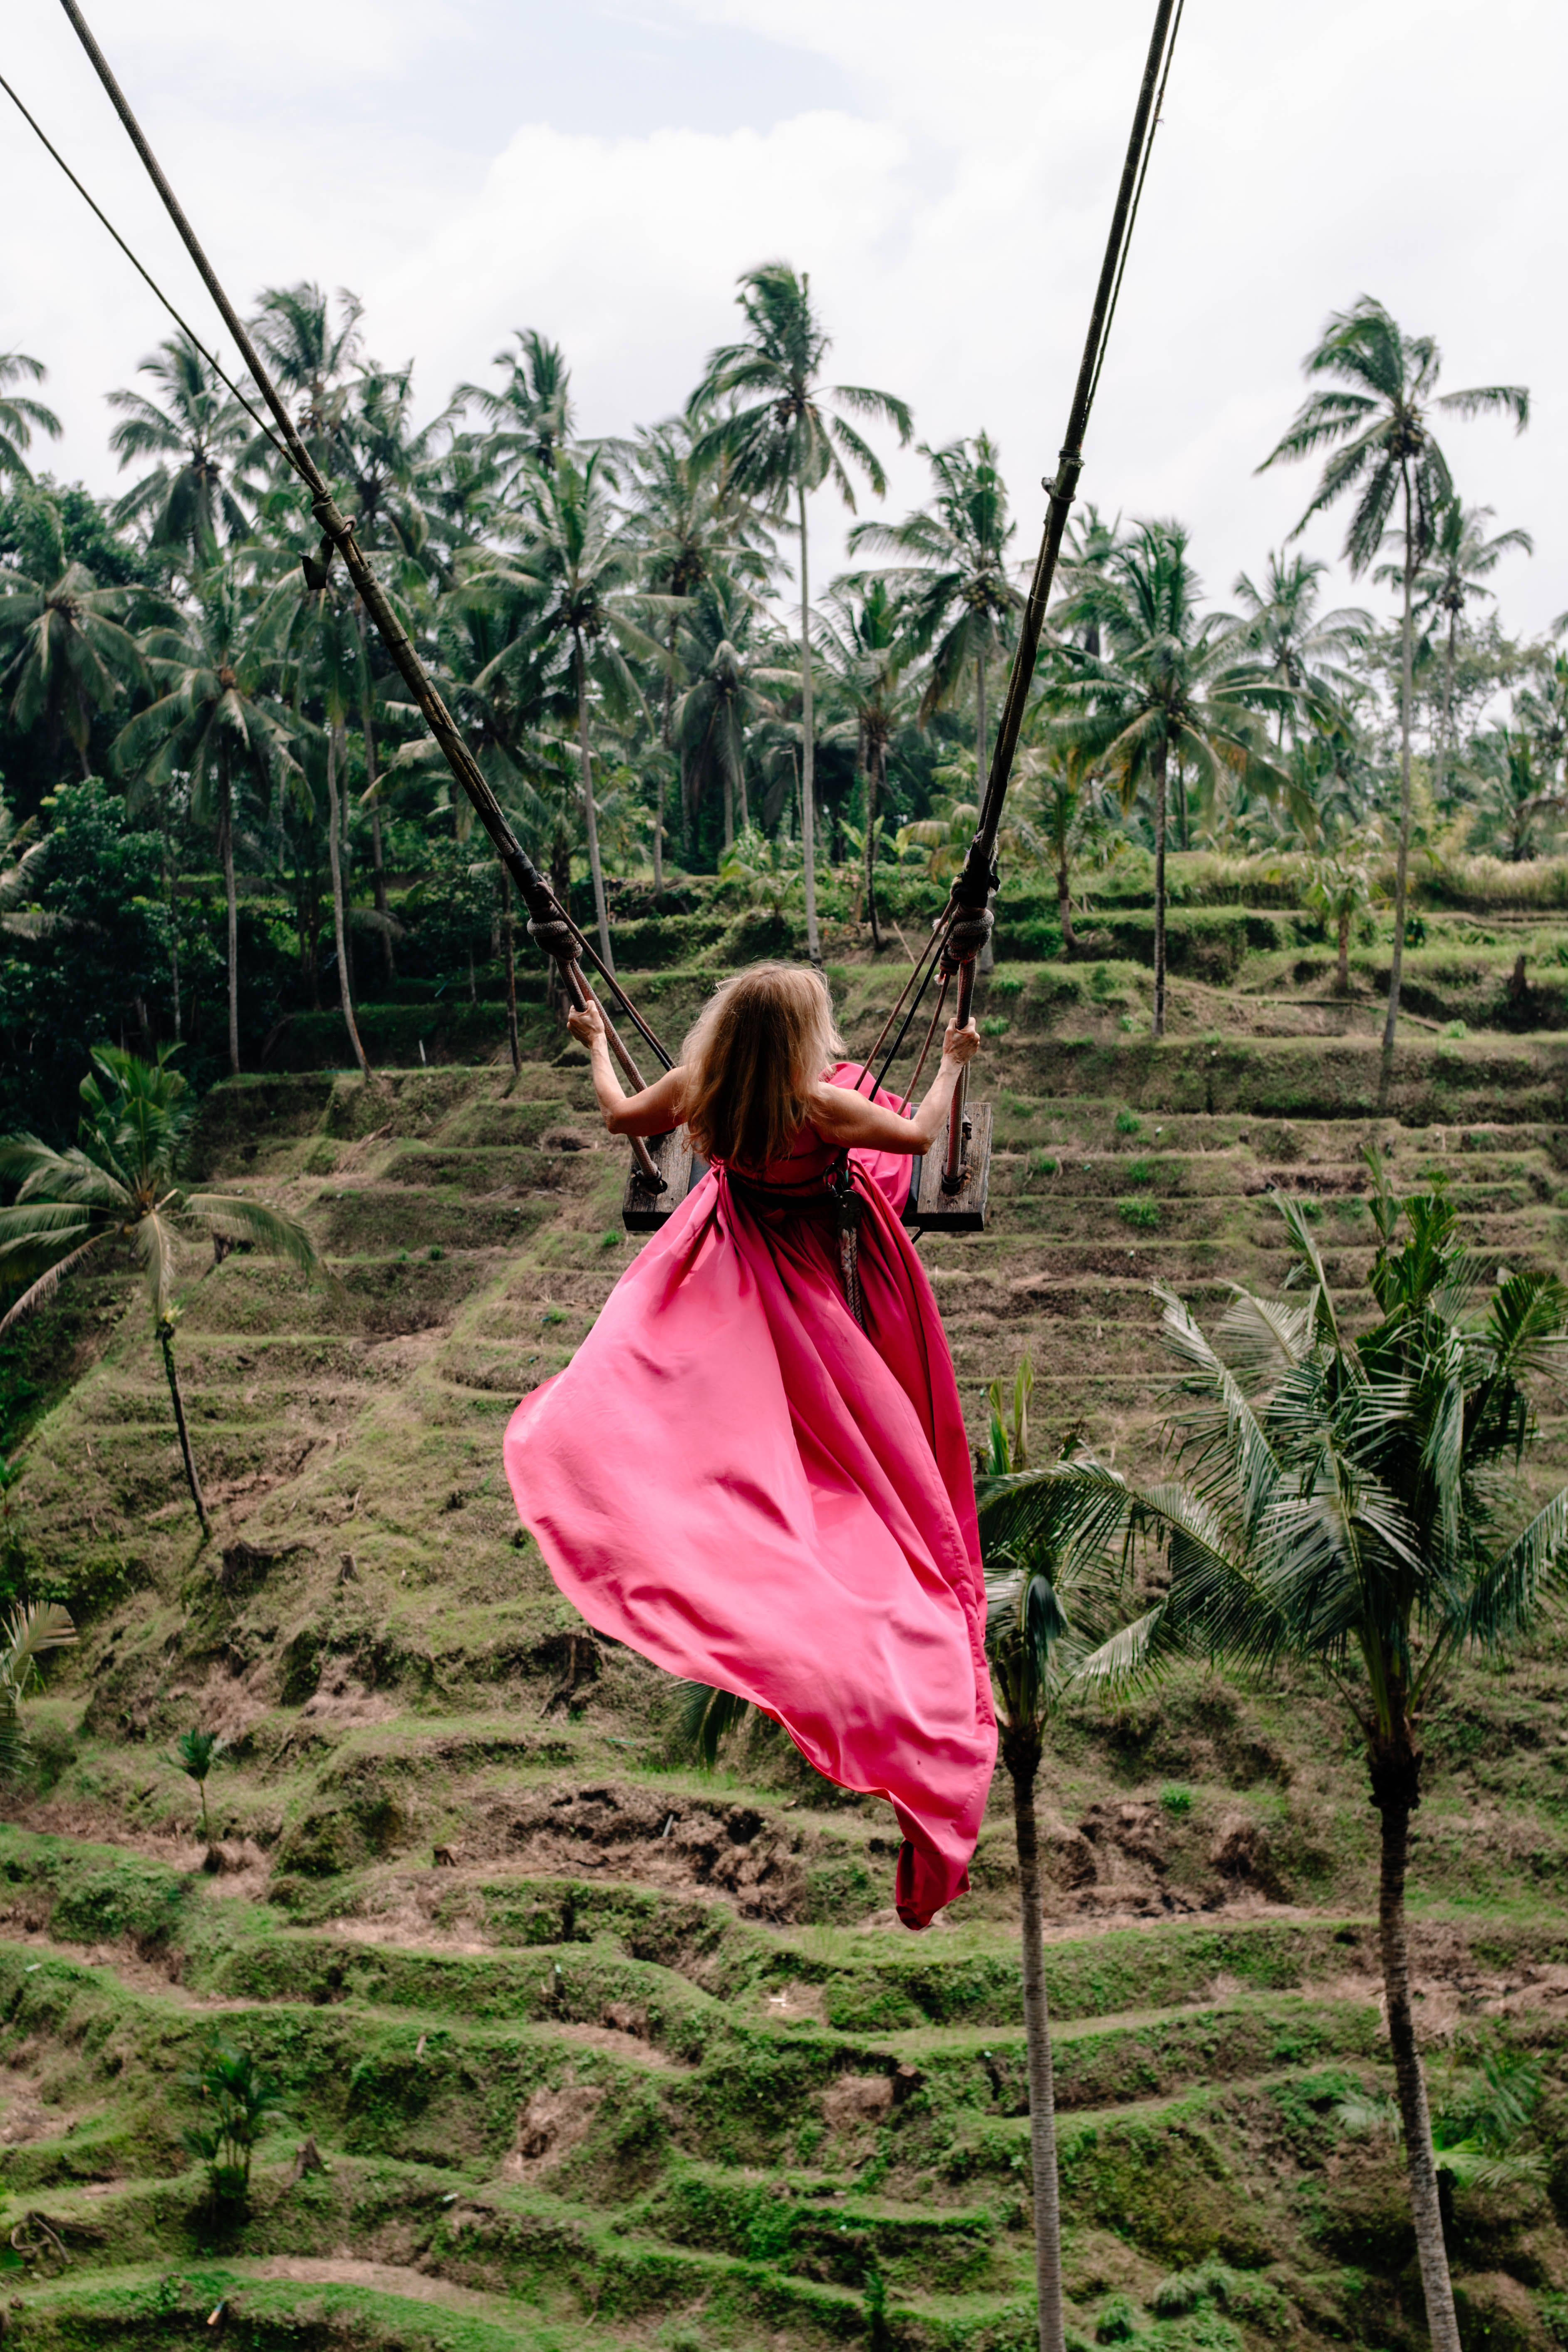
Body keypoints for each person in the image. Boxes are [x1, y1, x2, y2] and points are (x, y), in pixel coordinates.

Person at [503, 961, 995, 1929]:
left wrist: (597, 1044)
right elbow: (923, 1135)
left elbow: (618, 1116)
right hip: (812, 1260)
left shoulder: (698, 1089)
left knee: (714, 1422)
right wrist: (951, 1061)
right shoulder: (820, 1107)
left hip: (729, 1247)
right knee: (876, 1458)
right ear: (803, 1042)